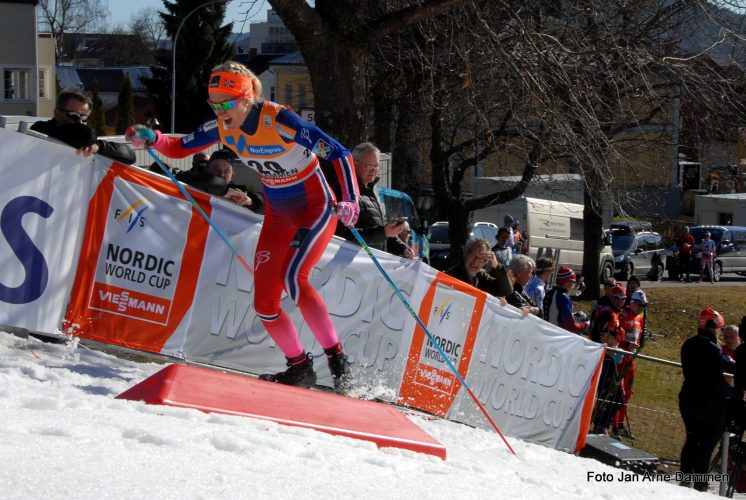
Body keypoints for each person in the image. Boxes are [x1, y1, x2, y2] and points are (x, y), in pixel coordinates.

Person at [126, 61, 360, 393]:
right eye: (214, 103)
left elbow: (338, 152)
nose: (220, 110)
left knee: (293, 277)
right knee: (265, 303)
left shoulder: (279, 120)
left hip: (314, 206)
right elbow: (179, 147)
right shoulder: (222, 127)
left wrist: (351, 200)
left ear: (247, 96)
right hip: (279, 215)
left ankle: (338, 364)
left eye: (227, 102)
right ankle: (299, 367)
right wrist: (153, 137)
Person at [679, 307, 734, 492]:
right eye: (720, 328)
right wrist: (734, 393)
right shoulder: (712, 349)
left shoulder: (688, 344)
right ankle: (701, 483)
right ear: (713, 327)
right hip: (709, 402)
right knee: (706, 444)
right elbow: (716, 379)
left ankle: (685, 477)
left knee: (691, 439)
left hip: (688, 397)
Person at [332, 142, 413, 259]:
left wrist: (400, 247)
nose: (374, 171)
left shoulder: (373, 191)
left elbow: (380, 231)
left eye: (377, 167)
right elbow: (342, 235)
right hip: (352, 266)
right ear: (354, 164)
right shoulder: (345, 192)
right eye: (370, 166)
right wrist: (383, 232)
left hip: (372, 267)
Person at [30, 89, 136, 165]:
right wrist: (89, 141)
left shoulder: (84, 138)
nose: (80, 121)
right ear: (57, 113)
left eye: (84, 117)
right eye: (74, 116)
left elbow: (130, 155)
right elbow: (86, 136)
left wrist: (98, 147)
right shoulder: (41, 129)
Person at [612, 289, 648, 439]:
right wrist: (626, 345)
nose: (641, 308)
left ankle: (620, 424)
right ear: (632, 302)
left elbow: (638, 339)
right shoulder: (622, 314)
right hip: (619, 359)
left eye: (644, 305)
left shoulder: (640, 318)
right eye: (639, 304)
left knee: (627, 393)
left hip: (630, 360)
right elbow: (616, 336)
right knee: (617, 393)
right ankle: (612, 425)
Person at [445, 238, 512, 299]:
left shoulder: (481, 276)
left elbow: (506, 290)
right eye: (473, 255)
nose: (475, 262)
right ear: (466, 253)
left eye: (480, 259)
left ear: (485, 262)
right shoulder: (449, 277)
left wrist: (496, 265)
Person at [543, 267, 587, 334]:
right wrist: (585, 325)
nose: (574, 285)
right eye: (573, 282)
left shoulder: (549, 292)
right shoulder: (563, 297)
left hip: (545, 330)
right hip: (556, 335)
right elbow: (570, 326)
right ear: (568, 282)